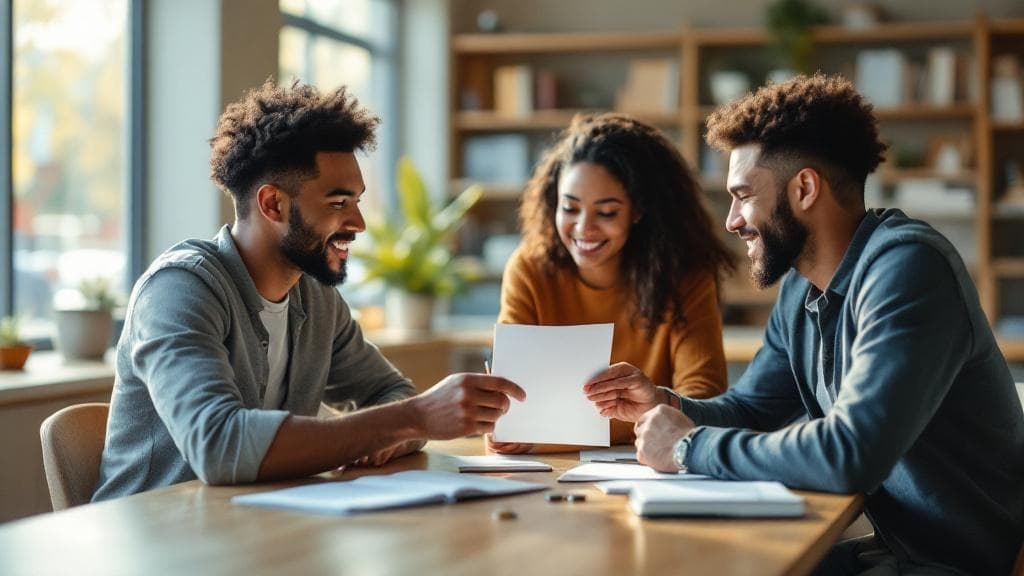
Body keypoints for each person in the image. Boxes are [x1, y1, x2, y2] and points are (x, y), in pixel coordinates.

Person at [584, 75, 1024, 575]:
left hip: (963, 564)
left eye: (743, 194)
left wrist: (687, 446)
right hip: (897, 550)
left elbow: (848, 453)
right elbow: (754, 408)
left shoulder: (908, 268)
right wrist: (667, 405)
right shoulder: (802, 286)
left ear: (805, 189)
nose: (731, 220)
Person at [93, 81, 525, 501]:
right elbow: (219, 447)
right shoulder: (179, 290)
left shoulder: (314, 296)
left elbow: (390, 395)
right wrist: (413, 419)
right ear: (273, 204)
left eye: (357, 201)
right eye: (339, 203)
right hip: (153, 542)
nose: (359, 223)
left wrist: (400, 425)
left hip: (253, 534)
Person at [490, 113, 734, 453]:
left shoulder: (684, 274)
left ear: (638, 211)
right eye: (569, 208)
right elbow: (514, 406)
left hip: (649, 468)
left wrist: (552, 432)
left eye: (606, 213)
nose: (584, 228)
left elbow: (704, 401)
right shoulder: (530, 268)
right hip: (556, 470)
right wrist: (506, 428)